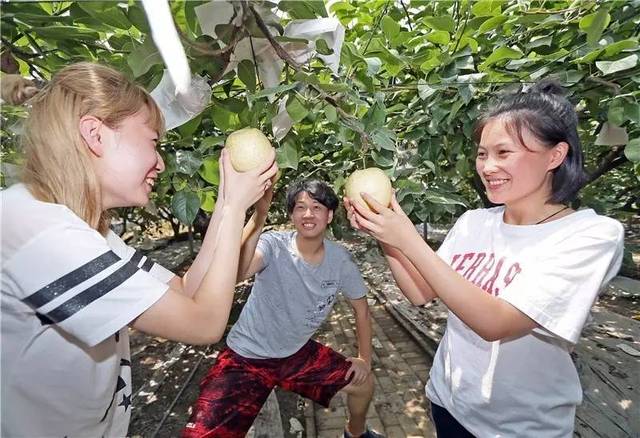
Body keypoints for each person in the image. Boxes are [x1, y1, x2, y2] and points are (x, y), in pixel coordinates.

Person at [0, 62, 277, 437]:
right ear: (95, 135)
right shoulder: (41, 234)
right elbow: (204, 322)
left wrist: (230, 199)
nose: (160, 162)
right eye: (152, 143)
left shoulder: (79, 227)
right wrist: (234, 208)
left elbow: (185, 291)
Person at [345, 80, 624, 437]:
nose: (487, 166)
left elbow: (497, 323)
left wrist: (407, 238)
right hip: (449, 403)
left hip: (519, 427)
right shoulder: (474, 223)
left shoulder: (590, 235)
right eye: (482, 154)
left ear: (555, 155)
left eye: (504, 153)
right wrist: (386, 237)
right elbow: (418, 292)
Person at [182, 179, 382, 438]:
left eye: (317, 207)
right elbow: (239, 271)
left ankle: (355, 433)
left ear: (330, 215)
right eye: (300, 207)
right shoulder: (274, 245)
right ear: (292, 215)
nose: (308, 214)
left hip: (295, 355)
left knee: (364, 384)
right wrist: (259, 215)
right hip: (245, 357)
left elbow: (362, 310)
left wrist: (364, 359)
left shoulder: (340, 261)